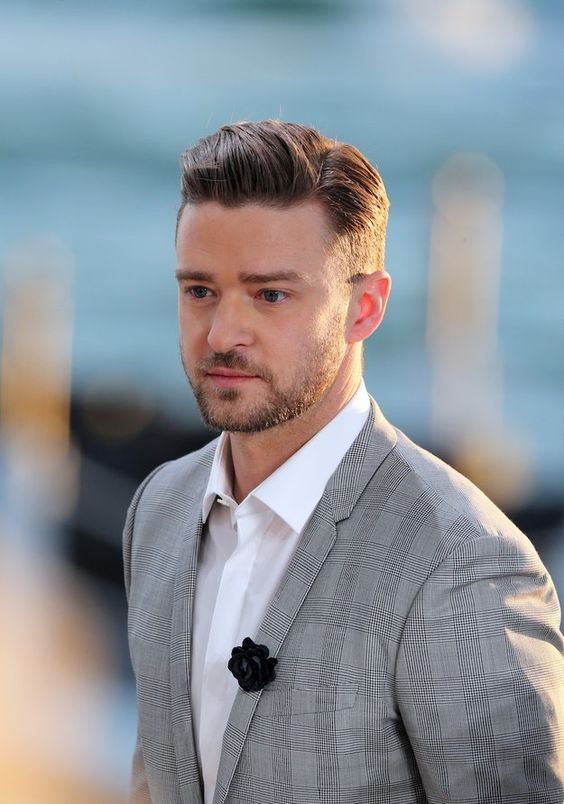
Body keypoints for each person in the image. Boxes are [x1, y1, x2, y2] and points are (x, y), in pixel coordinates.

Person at [123, 120, 564, 804]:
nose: (222, 334)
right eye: (199, 291)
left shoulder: (466, 561)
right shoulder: (158, 507)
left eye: (271, 294)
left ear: (366, 307)